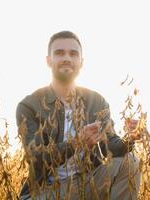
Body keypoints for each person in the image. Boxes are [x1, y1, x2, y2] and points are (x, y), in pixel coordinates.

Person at [16, 31, 142, 200]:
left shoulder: (96, 101)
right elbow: (37, 160)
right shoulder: (29, 106)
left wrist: (130, 137)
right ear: (48, 60)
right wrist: (76, 143)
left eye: (73, 54)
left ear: (81, 62)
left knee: (129, 162)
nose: (67, 58)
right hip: (45, 191)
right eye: (59, 53)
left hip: (87, 183)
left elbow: (111, 147)